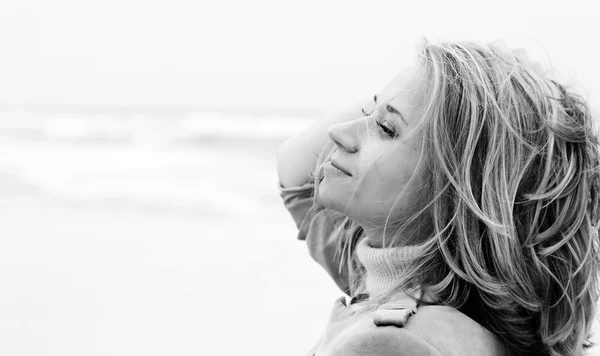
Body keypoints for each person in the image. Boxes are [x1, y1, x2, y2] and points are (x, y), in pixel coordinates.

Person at [277, 39, 600, 356]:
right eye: (368, 112)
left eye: (386, 128)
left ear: (459, 187)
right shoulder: (429, 297)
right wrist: (441, 83)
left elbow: (295, 174)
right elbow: (294, 169)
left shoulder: (389, 344)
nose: (339, 132)